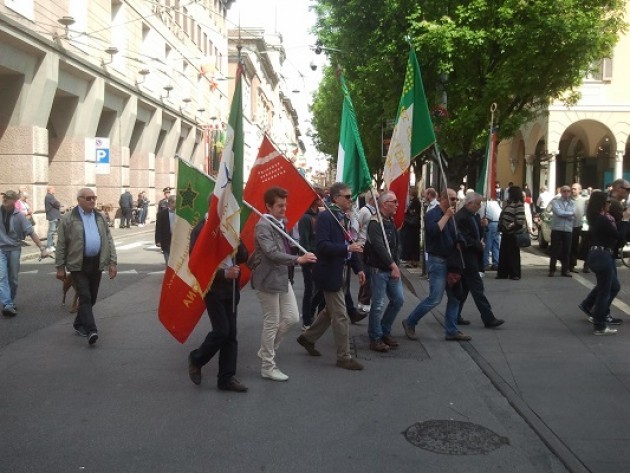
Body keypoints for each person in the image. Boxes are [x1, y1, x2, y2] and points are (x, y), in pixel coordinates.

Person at [296, 182, 366, 370]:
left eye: (351, 196)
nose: (351, 200)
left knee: (329, 311)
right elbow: (322, 246)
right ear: (335, 198)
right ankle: (344, 356)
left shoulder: (344, 217)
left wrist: (358, 268)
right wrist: (346, 248)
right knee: (341, 315)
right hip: (328, 273)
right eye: (347, 197)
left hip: (340, 273)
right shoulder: (326, 217)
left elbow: (351, 244)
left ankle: (307, 338)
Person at [252, 186, 317, 382]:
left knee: (292, 317)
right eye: (279, 205)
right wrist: (298, 260)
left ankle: (266, 350)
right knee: (271, 322)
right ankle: (268, 366)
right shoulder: (263, 226)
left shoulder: (280, 223)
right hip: (267, 280)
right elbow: (271, 253)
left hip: (282, 278)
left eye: (284, 205)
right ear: (268, 206)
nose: (284, 208)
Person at [187, 216, 249, 392]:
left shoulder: (230, 227)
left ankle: (226, 378)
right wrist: (223, 274)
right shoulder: (202, 230)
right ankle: (197, 358)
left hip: (231, 288)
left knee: (231, 334)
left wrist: (237, 240)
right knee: (222, 330)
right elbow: (196, 264)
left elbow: (243, 256)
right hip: (213, 289)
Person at [401, 188, 472, 342]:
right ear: (443, 199)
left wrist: (461, 242)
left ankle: (451, 330)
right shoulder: (432, 214)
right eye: (452, 199)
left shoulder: (452, 217)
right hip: (437, 261)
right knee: (435, 298)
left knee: (454, 298)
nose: (455, 202)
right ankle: (410, 321)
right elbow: (434, 231)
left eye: (456, 199)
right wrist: (446, 216)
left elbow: (457, 234)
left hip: (451, 261)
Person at [55, 188, 117, 345]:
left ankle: (78, 323)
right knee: (85, 296)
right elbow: (61, 243)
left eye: (94, 198)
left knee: (92, 298)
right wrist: (60, 267)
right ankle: (91, 330)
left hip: (96, 262)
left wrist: (112, 262)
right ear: (79, 200)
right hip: (78, 264)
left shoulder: (100, 217)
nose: (92, 201)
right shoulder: (69, 218)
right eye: (88, 198)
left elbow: (108, 240)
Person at [455, 192, 505, 328]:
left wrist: (483, 226)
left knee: (464, 289)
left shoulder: (474, 216)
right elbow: (463, 238)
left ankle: (454, 314)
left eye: (480, 203)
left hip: (473, 257)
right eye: (477, 203)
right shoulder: (461, 217)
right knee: (477, 288)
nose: (479, 206)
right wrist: (478, 244)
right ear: (469, 203)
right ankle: (488, 317)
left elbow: (478, 234)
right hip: (467, 259)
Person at [364, 191, 404, 352]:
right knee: (378, 304)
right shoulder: (375, 223)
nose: (397, 204)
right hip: (379, 269)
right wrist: (393, 265)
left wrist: (396, 263)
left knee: (398, 300)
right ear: (384, 203)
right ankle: (375, 337)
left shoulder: (390, 220)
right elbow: (379, 247)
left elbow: (395, 244)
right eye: (394, 201)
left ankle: (384, 330)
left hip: (390, 267)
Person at [578, 191, 622, 335]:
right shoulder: (602, 219)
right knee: (605, 291)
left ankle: (591, 308)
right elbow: (618, 236)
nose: (610, 204)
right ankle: (599, 324)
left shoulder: (596, 218)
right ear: (602, 204)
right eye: (608, 202)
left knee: (614, 286)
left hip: (599, 255)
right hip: (602, 255)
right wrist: (626, 221)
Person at [1, 190, 47, 317]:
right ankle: (7, 304)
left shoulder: (19, 216)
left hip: (15, 248)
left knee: (13, 279)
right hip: (1, 249)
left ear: (14, 201)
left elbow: (30, 231)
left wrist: (42, 248)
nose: (5, 199)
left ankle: (10, 300)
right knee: (2, 277)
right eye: (4, 197)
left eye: (8, 198)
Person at [298, 194, 321, 329]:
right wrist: (309, 256)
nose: (322, 200)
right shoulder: (306, 218)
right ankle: (306, 320)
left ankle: (310, 313)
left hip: (319, 257)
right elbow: (304, 240)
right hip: (309, 258)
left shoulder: (319, 216)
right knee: (309, 289)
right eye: (319, 198)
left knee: (319, 288)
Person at [497, 186, 526, 280]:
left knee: (513, 254)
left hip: (513, 233)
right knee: (504, 253)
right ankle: (503, 273)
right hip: (506, 232)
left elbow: (520, 220)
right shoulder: (509, 203)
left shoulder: (518, 204)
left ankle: (515, 274)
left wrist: (510, 226)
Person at [356, 190, 378, 313]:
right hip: (362, 246)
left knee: (369, 274)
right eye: (377, 197)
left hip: (370, 247)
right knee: (366, 274)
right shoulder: (364, 211)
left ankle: (363, 299)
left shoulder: (376, 212)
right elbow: (357, 227)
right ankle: (364, 300)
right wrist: (357, 243)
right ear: (370, 199)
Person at [548, 185, 575, 277]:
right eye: (564, 191)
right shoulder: (555, 202)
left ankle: (565, 270)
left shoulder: (572, 203)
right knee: (554, 250)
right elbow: (558, 212)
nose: (566, 193)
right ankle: (552, 269)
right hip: (557, 229)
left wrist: (568, 214)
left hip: (568, 229)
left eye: (568, 191)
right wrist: (569, 214)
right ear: (561, 192)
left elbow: (574, 214)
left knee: (566, 251)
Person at [401, 186, 421, 267]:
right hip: (410, 227)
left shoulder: (416, 202)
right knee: (410, 244)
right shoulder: (411, 201)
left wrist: (408, 212)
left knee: (413, 244)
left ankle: (413, 261)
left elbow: (413, 213)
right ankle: (410, 260)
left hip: (413, 227)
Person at [480, 197, 501, 270]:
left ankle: (485, 263)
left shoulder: (485, 204)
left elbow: (481, 215)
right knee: (496, 244)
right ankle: (496, 263)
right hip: (498, 223)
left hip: (490, 223)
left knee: (487, 245)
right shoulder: (496, 204)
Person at [570, 183, 586, 273]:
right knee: (567, 246)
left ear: (580, 190)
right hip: (568, 226)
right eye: (572, 189)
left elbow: (586, 212)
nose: (573, 191)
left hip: (578, 226)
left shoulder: (583, 201)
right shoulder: (568, 200)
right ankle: (566, 265)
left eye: (575, 189)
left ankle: (572, 265)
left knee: (575, 246)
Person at [155, 195, 175, 264]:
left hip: (176, 239)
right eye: (175, 202)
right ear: (171, 203)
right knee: (168, 261)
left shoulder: (180, 213)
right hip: (166, 239)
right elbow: (158, 228)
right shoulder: (162, 214)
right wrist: (158, 240)